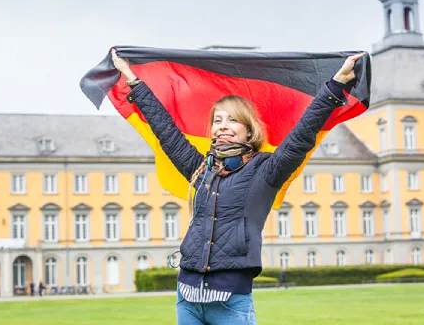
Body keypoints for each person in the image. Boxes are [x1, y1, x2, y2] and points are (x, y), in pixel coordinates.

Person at [112, 49, 364, 325]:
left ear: (249, 130)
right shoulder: (200, 169)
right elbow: (166, 131)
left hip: (231, 302)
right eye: (217, 121)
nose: (223, 126)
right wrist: (132, 79)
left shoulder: (266, 170)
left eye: (232, 119)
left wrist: (336, 85)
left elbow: (303, 133)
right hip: (187, 298)